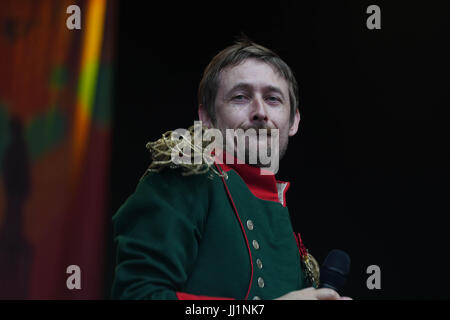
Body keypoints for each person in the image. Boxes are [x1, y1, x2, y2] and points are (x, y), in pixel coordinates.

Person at [111, 39, 350, 300]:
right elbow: (137, 296)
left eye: (273, 99)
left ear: (293, 122)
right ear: (206, 118)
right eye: (240, 97)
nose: (260, 112)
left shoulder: (281, 217)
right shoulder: (184, 177)